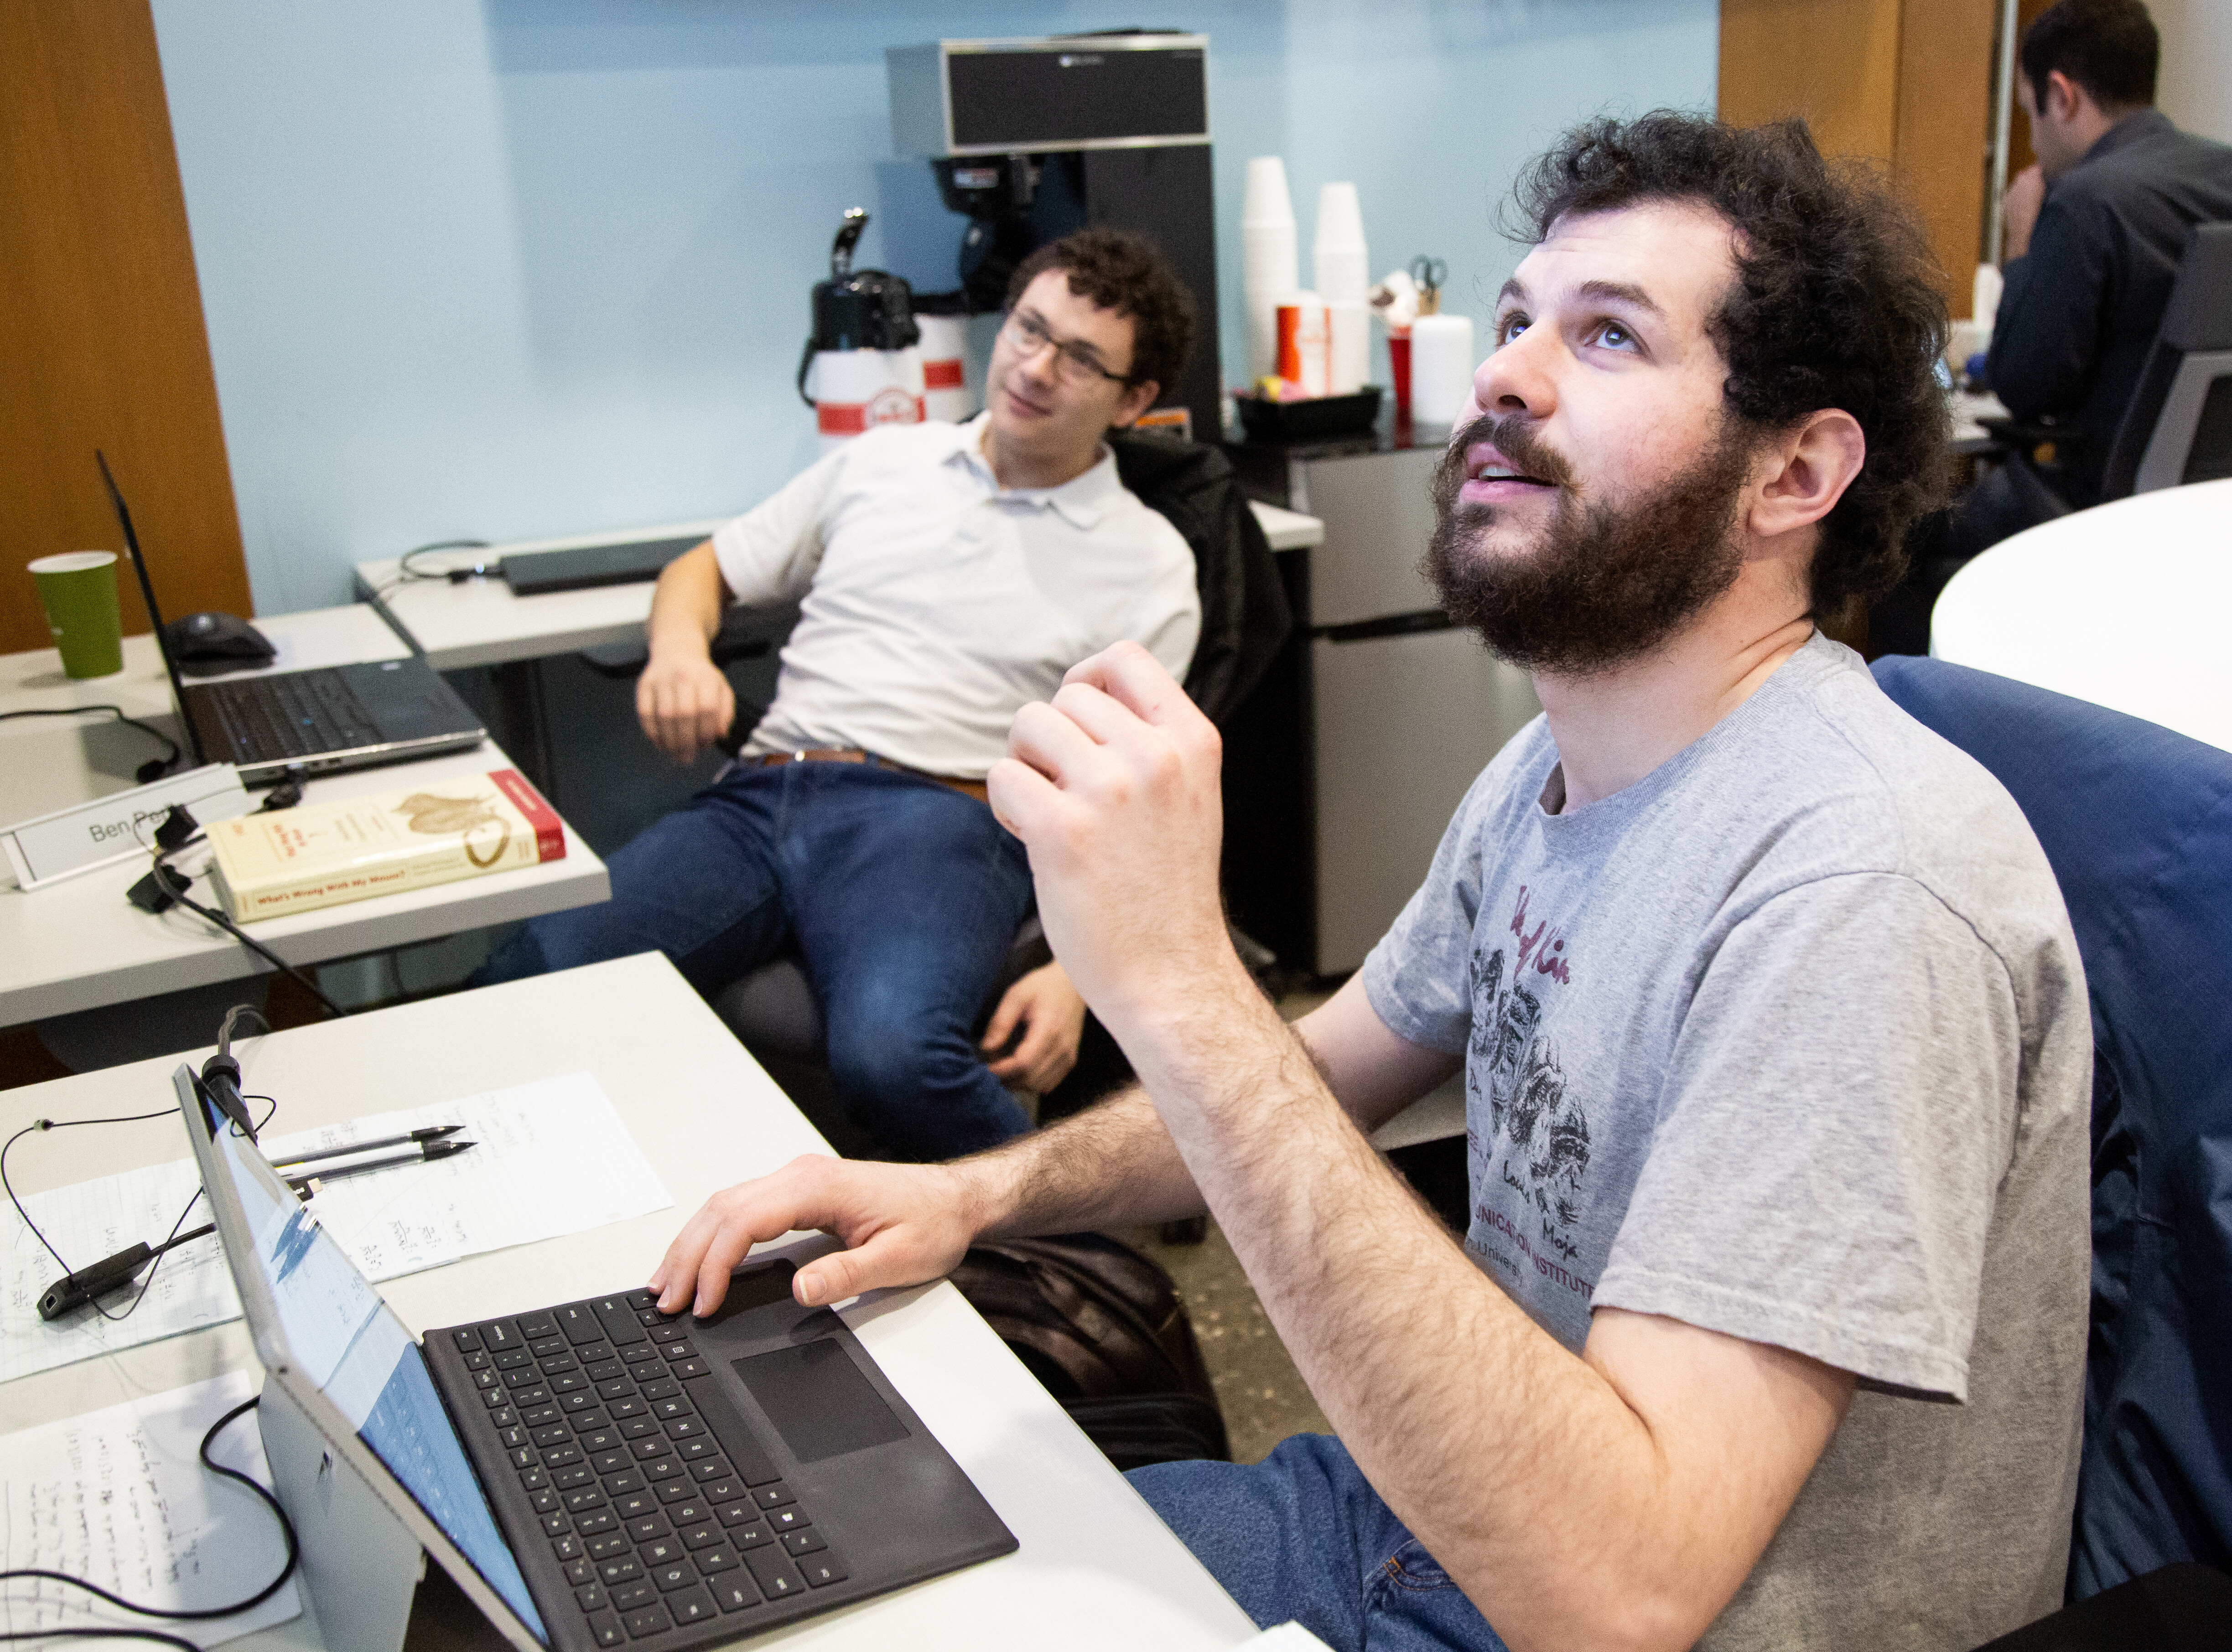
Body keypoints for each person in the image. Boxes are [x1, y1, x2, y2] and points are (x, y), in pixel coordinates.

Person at [653, 113, 2094, 1652]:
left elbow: (1622, 1594)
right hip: (1413, 1523)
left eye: (1607, 338)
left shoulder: (1854, 887)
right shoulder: (1550, 776)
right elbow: (1314, 1076)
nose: (1502, 374)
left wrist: (1177, 979)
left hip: (1594, 1604)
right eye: (1521, 319)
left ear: (1793, 469)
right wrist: (968, 1194)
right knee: (839, 1593)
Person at [473, 228, 1202, 1162]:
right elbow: (701, 572)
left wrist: (1075, 975)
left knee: (894, 1056)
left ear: (1134, 399)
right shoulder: (881, 463)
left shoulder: (1146, 563)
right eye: (1028, 330)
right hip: (760, 791)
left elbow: (1135, 803)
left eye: (1080, 358)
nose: (1035, 367)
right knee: (538, 971)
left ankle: (1087, 1269)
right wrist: (679, 654)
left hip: (933, 818)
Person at [1871, 0, 2232, 654]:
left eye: (2030, 114)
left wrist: (2024, 236)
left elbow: (2025, 382)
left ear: (2061, 96)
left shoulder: (2089, 200)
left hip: (2108, 514)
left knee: (1903, 543)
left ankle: (1928, 737)